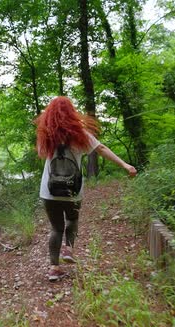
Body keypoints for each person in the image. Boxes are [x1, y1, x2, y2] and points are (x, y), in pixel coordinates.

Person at [35, 96, 137, 281]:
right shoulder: (80, 133)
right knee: (72, 219)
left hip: (49, 192)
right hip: (72, 191)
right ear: (72, 111)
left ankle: (53, 269)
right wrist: (125, 165)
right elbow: (101, 148)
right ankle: (69, 248)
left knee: (56, 228)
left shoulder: (46, 134)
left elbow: (42, 154)